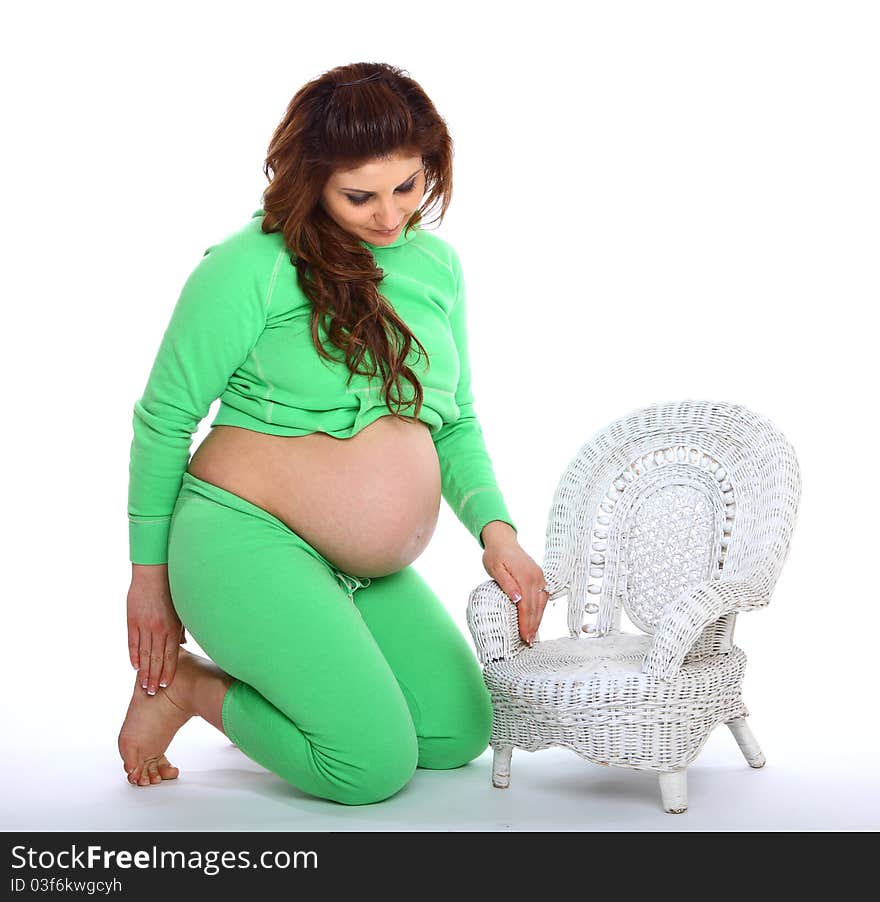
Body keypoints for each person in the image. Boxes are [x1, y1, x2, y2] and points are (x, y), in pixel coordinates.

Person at [117, 61, 550, 806]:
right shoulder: (250, 265)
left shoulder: (436, 267)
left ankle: (314, 654)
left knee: (456, 733)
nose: (390, 216)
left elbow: (456, 418)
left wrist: (497, 530)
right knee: (368, 766)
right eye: (360, 196)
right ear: (311, 179)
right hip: (242, 538)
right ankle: (192, 692)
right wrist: (148, 582)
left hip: (355, 565)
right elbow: (163, 420)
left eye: (409, 186)